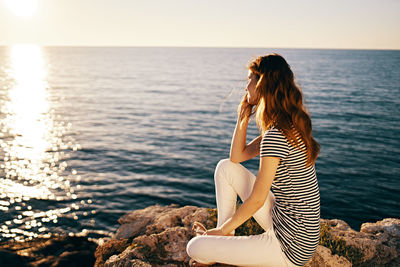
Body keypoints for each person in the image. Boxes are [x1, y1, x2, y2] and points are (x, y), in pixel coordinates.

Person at [186, 53, 321, 267]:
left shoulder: (275, 136)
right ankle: (226, 235)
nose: (246, 86)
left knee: (194, 248)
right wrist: (243, 117)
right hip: (292, 227)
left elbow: (257, 199)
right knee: (225, 168)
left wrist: (218, 232)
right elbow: (236, 157)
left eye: (250, 80)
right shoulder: (288, 125)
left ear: (262, 84)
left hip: (289, 247)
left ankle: (221, 237)